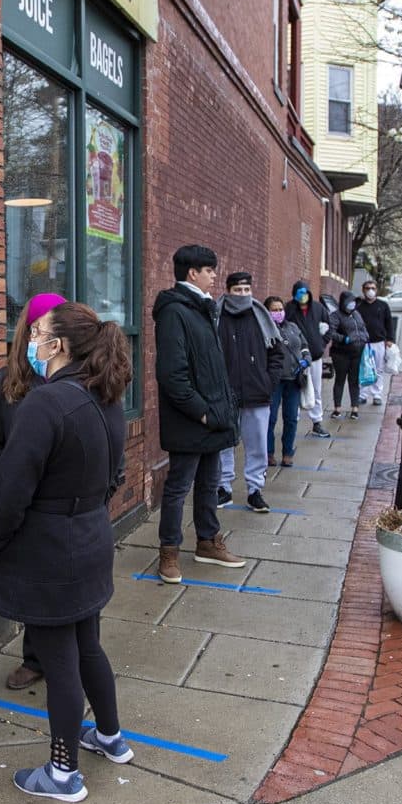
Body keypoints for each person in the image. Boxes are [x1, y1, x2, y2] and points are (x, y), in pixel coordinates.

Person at [0, 302, 132, 802]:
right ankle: (110, 737)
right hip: (88, 541)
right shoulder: (104, 394)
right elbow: (112, 477)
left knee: (60, 663)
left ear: (58, 345)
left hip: (49, 553)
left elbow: (10, 491)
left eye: (37, 334)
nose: (30, 342)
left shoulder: (48, 403)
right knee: (87, 648)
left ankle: (63, 774)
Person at [0, 292, 68, 690]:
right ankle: (35, 657)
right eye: (35, 330)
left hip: (63, 508)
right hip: (20, 505)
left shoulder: (81, 382)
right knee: (31, 585)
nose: (38, 339)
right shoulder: (7, 382)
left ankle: (66, 656)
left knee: (65, 585)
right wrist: (2, 488)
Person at [151, 245, 244, 583]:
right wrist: (203, 414)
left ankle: (207, 542)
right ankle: (168, 553)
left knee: (209, 483)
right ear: (193, 273)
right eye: (210, 270)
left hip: (212, 417)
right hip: (193, 419)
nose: (215, 276)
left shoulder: (200, 308)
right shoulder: (176, 310)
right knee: (178, 487)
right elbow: (172, 374)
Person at [216, 272, 285, 512]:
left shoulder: (261, 317)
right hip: (225, 394)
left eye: (246, 290)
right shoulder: (216, 317)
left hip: (257, 394)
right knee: (224, 442)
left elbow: (277, 353)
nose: (243, 295)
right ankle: (223, 488)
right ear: (228, 291)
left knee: (257, 444)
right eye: (237, 290)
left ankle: (255, 489)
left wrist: (269, 381)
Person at [262, 296, 311, 469]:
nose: (278, 312)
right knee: (270, 418)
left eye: (280, 309)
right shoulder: (264, 329)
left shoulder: (293, 327)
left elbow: (305, 345)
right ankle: (268, 453)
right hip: (274, 381)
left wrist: (306, 359)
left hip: (294, 379)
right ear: (267, 312)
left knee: (291, 418)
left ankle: (288, 453)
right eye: (274, 310)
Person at [286, 281, 331, 438]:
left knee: (316, 390)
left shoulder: (318, 308)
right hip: (296, 358)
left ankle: (317, 421)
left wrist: (321, 344)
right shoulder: (289, 309)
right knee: (295, 388)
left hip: (315, 357)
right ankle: (293, 419)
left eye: (305, 292)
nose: (303, 296)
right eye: (299, 292)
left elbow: (328, 327)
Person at [328, 289, 370, 419]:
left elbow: (363, 328)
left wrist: (365, 337)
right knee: (340, 380)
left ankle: (355, 409)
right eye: (349, 302)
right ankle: (337, 409)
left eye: (353, 302)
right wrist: (344, 339)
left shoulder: (356, 314)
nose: (352, 304)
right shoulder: (335, 316)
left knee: (354, 381)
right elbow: (331, 332)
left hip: (357, 353)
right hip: (340, 354)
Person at [357, 279, 398, 404]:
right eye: (367, 288)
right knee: (364, 368)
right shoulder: (359, 306)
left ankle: (377, 394)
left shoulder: (383, 305)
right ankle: (363, 394)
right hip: (363, 343)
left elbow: (389, 323)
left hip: (379, 342)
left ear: (376, 290)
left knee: (379, 369)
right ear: (363, 290)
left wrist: (390, 339)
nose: (370, 291)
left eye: (373, 288)